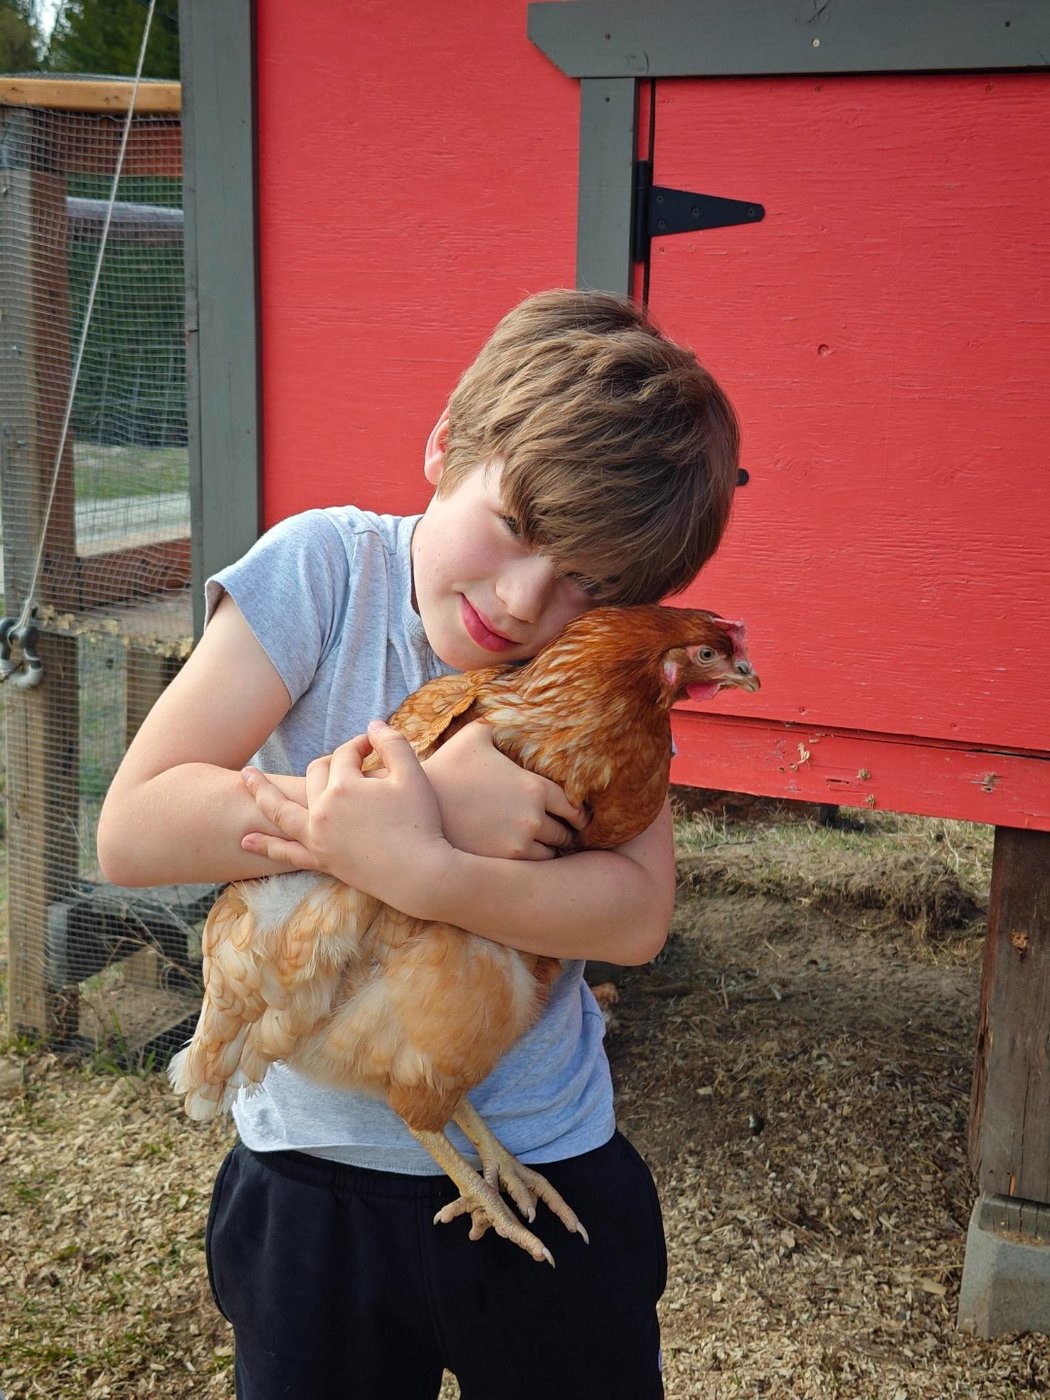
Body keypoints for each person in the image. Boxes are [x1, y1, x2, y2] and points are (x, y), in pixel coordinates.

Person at [97, 288, 740, 1400]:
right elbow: (135, 826)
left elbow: (636, 915)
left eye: (589, 580)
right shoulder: (321, 575)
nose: (526, 597)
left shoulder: (593, 668)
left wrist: (432, 869)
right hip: (314, 1178)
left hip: (547, 1154)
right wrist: (414, 809)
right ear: (448, 445)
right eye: (521, 527)